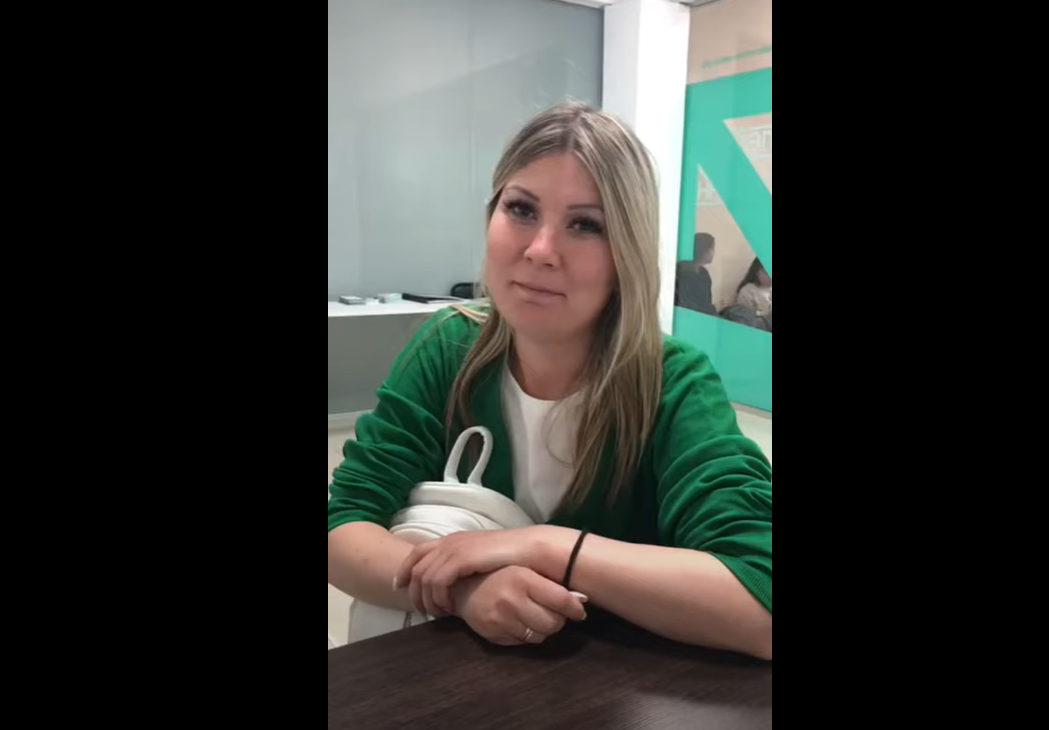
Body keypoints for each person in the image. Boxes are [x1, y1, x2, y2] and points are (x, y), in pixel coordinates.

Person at [327, 102, 773, 661]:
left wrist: (545, 548)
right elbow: (345, 527)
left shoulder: (671, 381)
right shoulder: (448, 347)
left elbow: (760, 599)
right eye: (520, 209)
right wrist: (463, 590)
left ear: (627, 252)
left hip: (610, 693)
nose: (540, 251)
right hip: (452, 687)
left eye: (585, 224)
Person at [674, 232, 717, 315]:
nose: (713, 253)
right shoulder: (685, 272)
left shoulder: (703, 273)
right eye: (712, 249)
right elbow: (700, 307)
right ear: (704, 250)